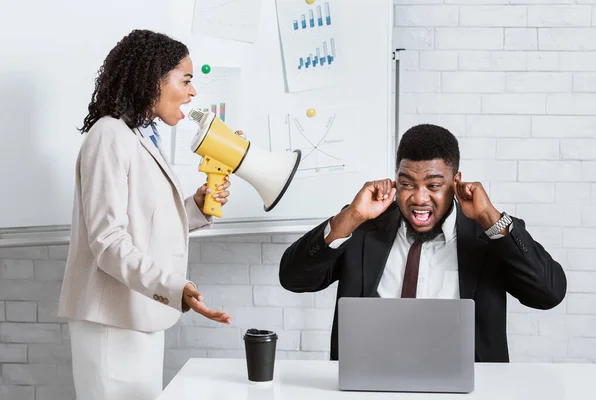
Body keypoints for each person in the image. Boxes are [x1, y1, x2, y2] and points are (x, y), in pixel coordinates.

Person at [279, 124, 567, 363]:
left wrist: (489, 217)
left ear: (456, 183)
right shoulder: (364, 227)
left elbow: (548, 294)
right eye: (407, 184)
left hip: (466, 389)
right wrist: (352, 216)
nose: (418, 198)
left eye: (433, 185)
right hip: (370, 383)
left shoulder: (490, 234)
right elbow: (293, 278)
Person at [57, 29, 233, 400]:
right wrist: (174, 288)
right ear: (154, 79)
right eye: (185, 80)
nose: (192, 91)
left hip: (137, 316)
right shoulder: (109, 135)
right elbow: (108, 241)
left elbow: (145, 221)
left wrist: (196, 208)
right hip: (112, 323)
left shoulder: (141, 135)